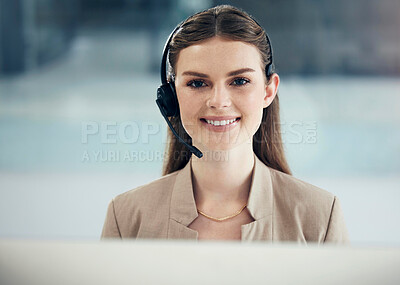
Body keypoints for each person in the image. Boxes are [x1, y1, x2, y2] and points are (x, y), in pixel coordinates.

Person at [101, 5, 349, 243]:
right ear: (171, 97)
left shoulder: (320, 218)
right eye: (197, 83)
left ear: (268, 90)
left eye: (239, 81)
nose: (219, 102)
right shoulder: (126, 218)